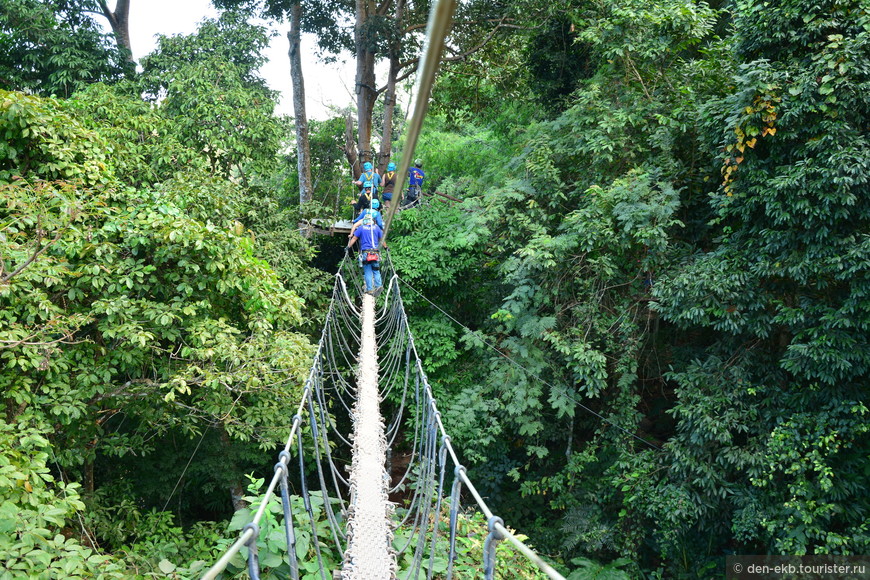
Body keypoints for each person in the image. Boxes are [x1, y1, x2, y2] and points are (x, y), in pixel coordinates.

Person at [346, 219, 383, 295]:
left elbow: (354, 238)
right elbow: (381, 239)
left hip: (366, 254)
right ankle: (378, 286)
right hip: (375, 253)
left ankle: (370, 289)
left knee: (368, 271)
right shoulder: (376, 228)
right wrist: (386, 247)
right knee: (376, 270)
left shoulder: (361, 228)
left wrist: (348, 247)